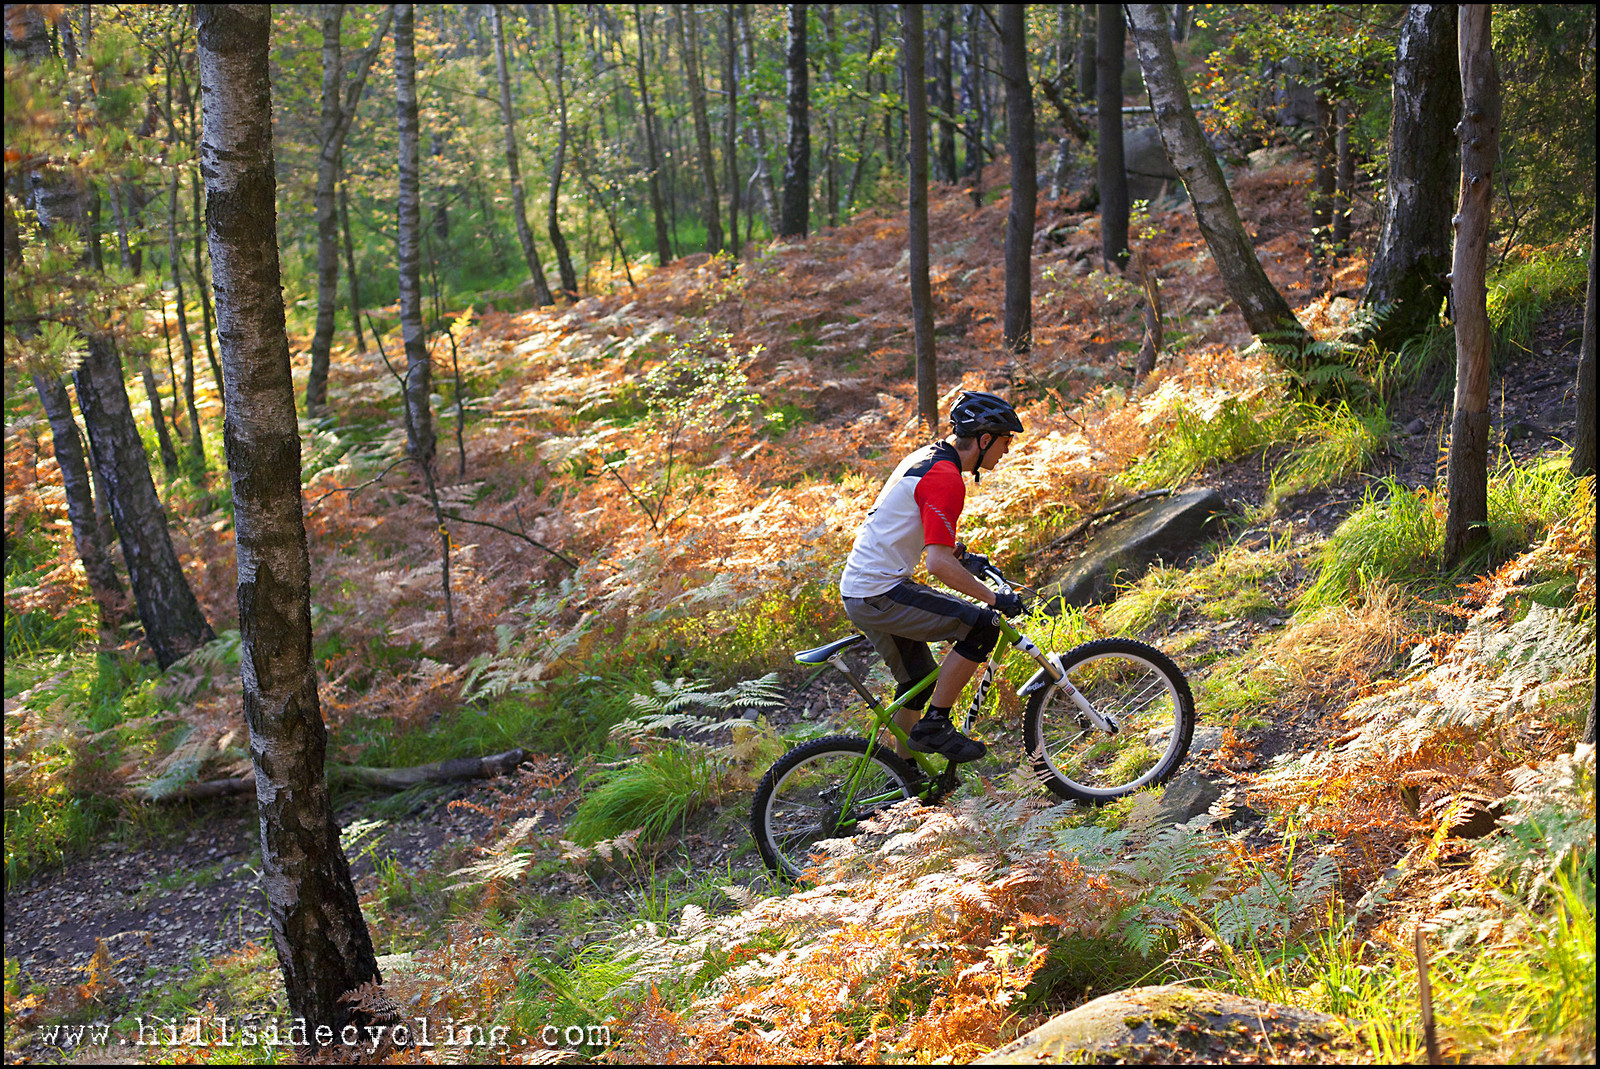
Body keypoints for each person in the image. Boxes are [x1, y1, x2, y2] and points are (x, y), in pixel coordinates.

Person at [839, 391, 1026, 764]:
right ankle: (936, 724)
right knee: (983, 626)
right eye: (1005, 441)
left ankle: (907, 776)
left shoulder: (928, 458)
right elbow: (936, 565)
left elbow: (911, 524)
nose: (1006, 451)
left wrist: (961, 554)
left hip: (860, 590)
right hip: (881, 591)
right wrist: (994, 598)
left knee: (916, 681)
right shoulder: (946, 478)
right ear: (985, 439)